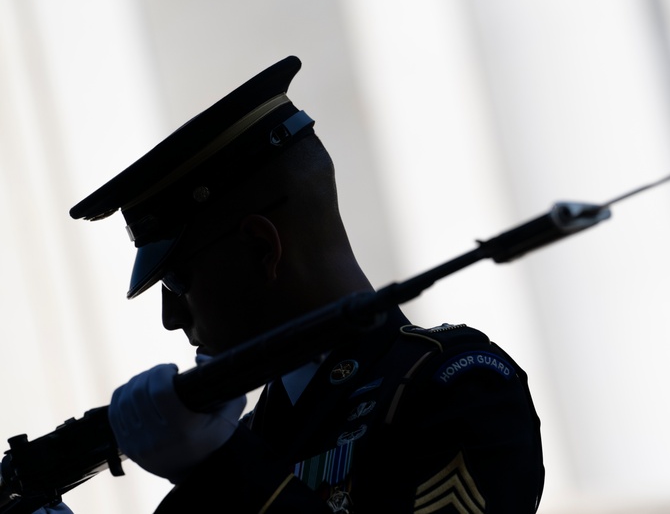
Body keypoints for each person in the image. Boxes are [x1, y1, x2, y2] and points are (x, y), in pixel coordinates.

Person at [65, 56, 544, 512]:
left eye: (175, 281)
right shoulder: (253, 433)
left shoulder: (457, 387)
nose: (172, 318)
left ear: (262, 248)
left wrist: (215, 466)